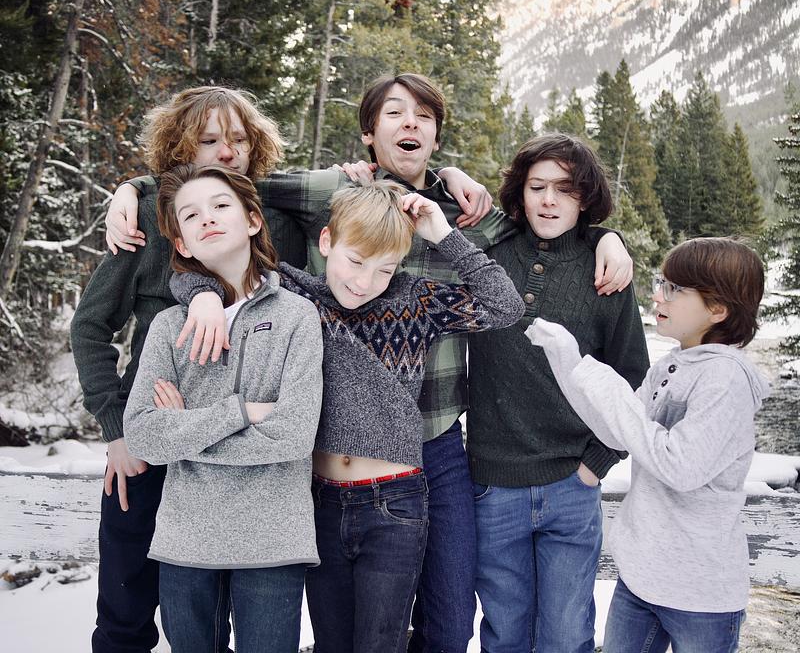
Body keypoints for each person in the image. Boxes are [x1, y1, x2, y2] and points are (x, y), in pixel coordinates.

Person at [104, 73, 633, 653]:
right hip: (327, 473)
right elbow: (225, 205)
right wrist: (145, 203)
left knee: (445, 620)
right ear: (368, 134)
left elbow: (537, 242)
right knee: (338, 631)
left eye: (423, 116)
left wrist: (602, 237)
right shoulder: (321, 238)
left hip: (430, 450)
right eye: (395, 113)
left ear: (436, 135)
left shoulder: (455, 224)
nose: (410, 124)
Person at [171, 179, 525, 652]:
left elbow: (505, 306)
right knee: (332, 643)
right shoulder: (297, 295)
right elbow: (207, 269)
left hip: (395, 504)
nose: (364, 282)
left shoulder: (415, 301)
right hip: (319, 501)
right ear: (326, 242)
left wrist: (443, 234)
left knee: (380, 644)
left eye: (384, 269)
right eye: (355, 261)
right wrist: (204, 296)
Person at [70, 85, 306, 653]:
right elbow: (90, 327)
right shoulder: (151, 221)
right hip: (150, 437)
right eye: (208, 141)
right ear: (180, 148)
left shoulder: (278, 219)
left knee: (218, 611)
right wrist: (117, 430)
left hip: (245, 449)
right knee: (127, 611)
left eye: (239, 140)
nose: (227, 152)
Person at [528, 237, 769, 653]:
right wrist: (567, 360)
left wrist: (601, 379)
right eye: (661, 283)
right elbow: (615, 432)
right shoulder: (671, 365)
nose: (658, 295)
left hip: (700, 595)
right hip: (641, 580)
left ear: (717, 309)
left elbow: (680, 467)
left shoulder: (726, 379)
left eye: (674, 289)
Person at [123, 165, 323, 653]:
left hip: (273, 540)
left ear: (252, 220)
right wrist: (243, 412)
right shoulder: (169, 326)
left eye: (219, 206)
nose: (207, 218)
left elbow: (295, 434)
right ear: (183, 244)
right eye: (191, 215)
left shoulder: (298, 316)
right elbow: (144, 436)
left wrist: (184, 432)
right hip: (186, 540)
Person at [466, 134, 650, 653]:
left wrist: (599, 460)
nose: (549, 200)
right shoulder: (488, 257)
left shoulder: (605, 272)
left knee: (566, 637)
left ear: (585, 198)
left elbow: (632, 377)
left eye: (565, 190)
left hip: (573, 481)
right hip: (493, 483)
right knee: (504, 633)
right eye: (537, 187)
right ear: (520, 195)